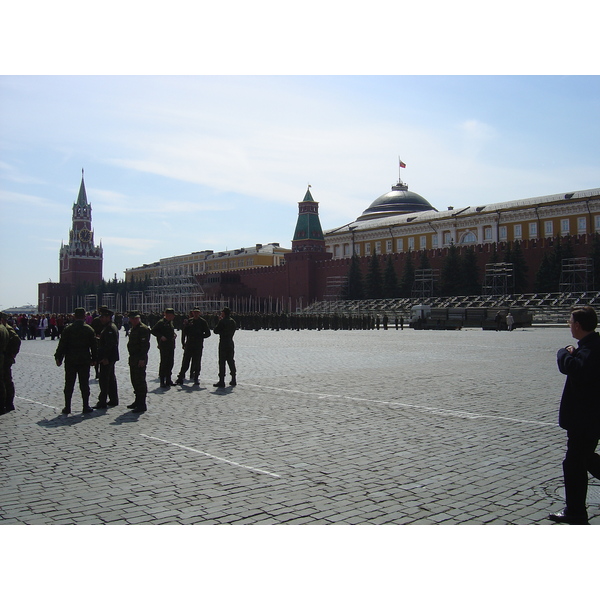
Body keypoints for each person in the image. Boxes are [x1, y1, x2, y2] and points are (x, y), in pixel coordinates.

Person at [549, 305, 600, 525]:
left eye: (570, 322)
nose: (569, 325)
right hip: (590, 418)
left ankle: (576, 512)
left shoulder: (590, 350)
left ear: (577, 326)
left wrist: (563, 352)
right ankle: (575, 510)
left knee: (574, 464)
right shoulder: (592, 346)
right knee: (585, 458)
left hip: (584, 419)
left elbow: (574, 368)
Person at [54, 307, 98, 415]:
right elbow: (94, 346)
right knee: (84, 384)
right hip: (84, 360)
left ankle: (67, 407)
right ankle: (85, 406)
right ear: (84, 316)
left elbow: (62, 344)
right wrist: (94, 359)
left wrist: (58, 357)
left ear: (74, 316)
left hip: (71, 360)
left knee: (69, 383)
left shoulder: (68, 329)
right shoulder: (89, 329)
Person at [176, 308, 211, 385]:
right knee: (185, 361)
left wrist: (201, 336)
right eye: (194, 312)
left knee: (197, 361)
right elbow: (184, 332)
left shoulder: (202, 322)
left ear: (199, 313)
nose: (195, 314)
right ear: (192, 313)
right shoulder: (189, 321)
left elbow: (208, 333)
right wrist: (183, 343)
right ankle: (181, 377)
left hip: (198, 344)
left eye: (197, 312)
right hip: (189, 343)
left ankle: (196, 377)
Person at [94, 307, 119, 409]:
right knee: (111, 378)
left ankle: (102, 401)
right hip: (111, 357)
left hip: (108, 358)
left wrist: (105, 358)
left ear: (109, 317)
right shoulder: (109, 326)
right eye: (101, 316)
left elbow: (110, 345)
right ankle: (113, 399)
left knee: (104, 379)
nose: (101, 319)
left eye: (103, 317)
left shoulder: (109, 328)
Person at [127, 311, 151, 412]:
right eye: (133, 318)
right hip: (133, 358)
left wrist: (142, 359)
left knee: (140, 381)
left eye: (137, 318)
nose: (135, 320)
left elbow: (145, 346)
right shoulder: (134, 328)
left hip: (139, 358)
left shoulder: (143, 329)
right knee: (134, 380)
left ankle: (142, 404)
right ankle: (137, 401)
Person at [0, 312, 21, 413]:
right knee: (6, 379)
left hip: (6, 357)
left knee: (6, 380)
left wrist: (12, 353)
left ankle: (7, 403)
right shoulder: (5, 328)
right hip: (5, 356)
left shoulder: (6, 328)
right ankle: (7, 403)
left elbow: (16, 340)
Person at [151, 308, 177, 388]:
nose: (173, 317)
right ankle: (162, 381)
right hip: (164, 345)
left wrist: (174, 334)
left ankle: (168, 380)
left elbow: (170, 331)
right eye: (172, 315)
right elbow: (153, 331)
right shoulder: (161, 322)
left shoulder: (170, 322)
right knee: (164, 363)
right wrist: (161, 336)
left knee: (170, 362)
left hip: (171, 345)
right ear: (167, 315)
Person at [213, 306, 237, 388]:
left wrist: (219, 321)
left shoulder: (222, 321)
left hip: (223, 342)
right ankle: (233, 378)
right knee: (231, 361)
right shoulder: (233, 321)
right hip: (230, 342)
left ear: (224, 313)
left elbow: (215, 331)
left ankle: (222, 380)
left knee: (222, 361)